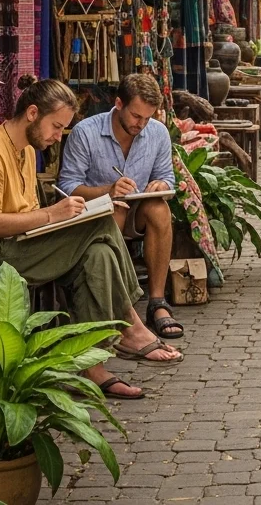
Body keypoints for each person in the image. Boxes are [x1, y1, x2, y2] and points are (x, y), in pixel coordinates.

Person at [0, 76, 181, 402]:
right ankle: (130, 323)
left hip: (17, 246)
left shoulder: (26, 150)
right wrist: (52, 215)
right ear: (32, 113)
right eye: (56, 127)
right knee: (101, 223)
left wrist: (53, 220)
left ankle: (92, 368)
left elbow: (24, 217)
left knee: (97, 254)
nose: (58, 137)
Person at [59, 72, 182, 343]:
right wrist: (108, 190)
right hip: (94, 214)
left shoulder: (157, 132)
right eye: (136, 116)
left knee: (159, 209)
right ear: (118, 104)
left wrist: (161, 184)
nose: (141, 124)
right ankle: (121, 309)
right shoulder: (85, 132)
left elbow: (166, 176)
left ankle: (157, 302)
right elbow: (67, 186)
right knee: (116, 209)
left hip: (136, 212)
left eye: (148, 118)